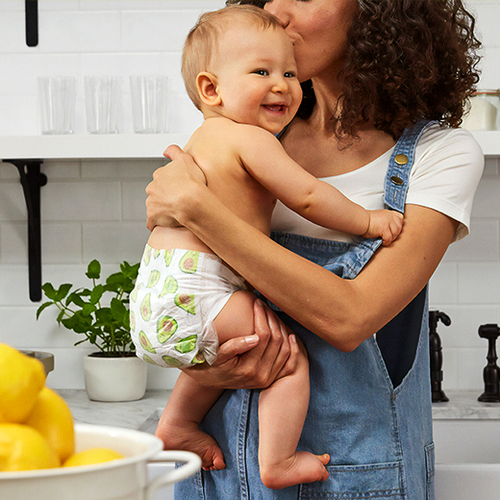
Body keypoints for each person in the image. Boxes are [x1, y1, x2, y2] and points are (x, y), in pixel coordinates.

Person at [145, 0, 484, 498]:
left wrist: (201, 210)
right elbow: (192, 280)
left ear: (378, 13)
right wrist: (208, 363)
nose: (278, 11)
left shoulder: (441, 156)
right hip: (217, 472)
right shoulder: (252, 134)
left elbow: (349, 319)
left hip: (346, 479)